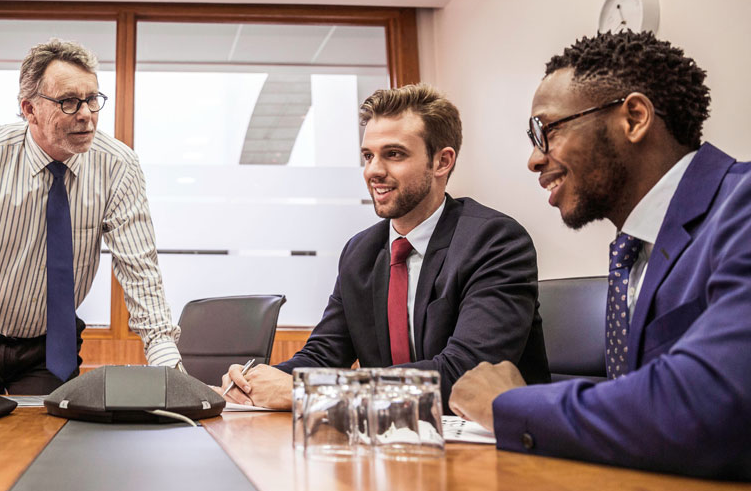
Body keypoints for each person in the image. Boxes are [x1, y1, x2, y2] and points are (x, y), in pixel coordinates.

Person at [449, 32, 751, 480]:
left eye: (546, 131)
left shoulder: (741, 207)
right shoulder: (632, 252)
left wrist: (508, 405)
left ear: (633, 118)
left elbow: (710, 399)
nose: (534, 159)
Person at [222, 84, 548, 409]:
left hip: (492, 446)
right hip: (392, 440)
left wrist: (309, 391)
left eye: (393, 154)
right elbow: (323, 356)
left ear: (442, 162)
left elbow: (463, 375)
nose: (373, 171)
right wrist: (254, 382)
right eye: (368, 156)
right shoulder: (361, 252)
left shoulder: (495, 242)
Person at [0, 38, 182, 395]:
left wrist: (166, 358)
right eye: (69, 102)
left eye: (92, 99)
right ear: (30, 109)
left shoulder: (118, 165)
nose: (86, 113)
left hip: (51, 346)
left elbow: (139, 267)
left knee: (46, 441)